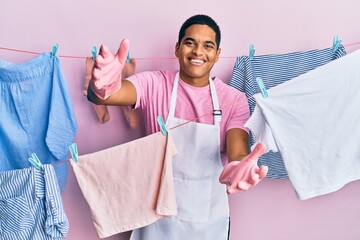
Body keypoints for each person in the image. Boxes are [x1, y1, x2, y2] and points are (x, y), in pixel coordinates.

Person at [87, 14, 268, 240]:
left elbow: (237, 152)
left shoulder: (233, 99)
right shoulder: (154, 84)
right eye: (190, 42)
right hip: (154, 219)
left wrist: (240, 167)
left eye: (208, 45)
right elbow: (109, 96)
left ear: (217, 54)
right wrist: (102, 87)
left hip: (208, 222)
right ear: (177, 48)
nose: (198, 52)